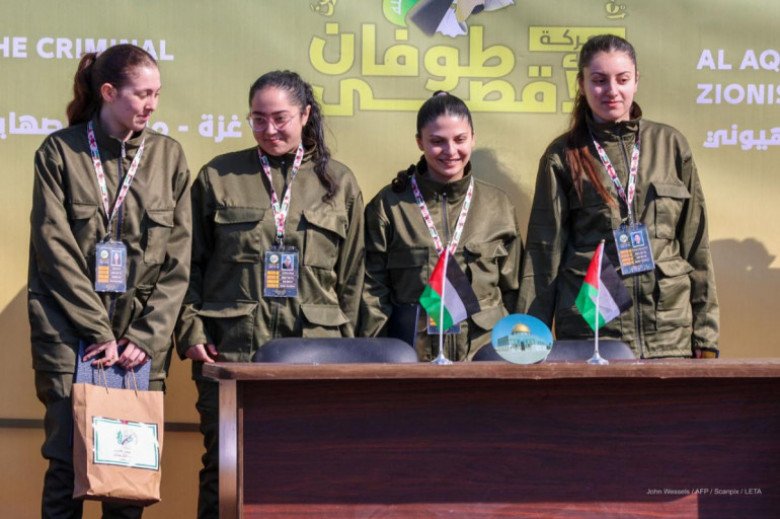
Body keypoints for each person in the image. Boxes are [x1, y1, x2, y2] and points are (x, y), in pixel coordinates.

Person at [175, 70, 365, 518]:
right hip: (231, 353)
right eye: (258, 119)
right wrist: (191, 330)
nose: (269, 129)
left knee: (309, 470)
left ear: (305, 114)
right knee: (224, 470)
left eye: (280, 118)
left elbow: (355, 278)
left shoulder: (338, 182)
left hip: (316, 355)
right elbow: (186, 264)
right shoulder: (219, 176)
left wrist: (355, 354)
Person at [28, 44, 191, 518]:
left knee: (127, 474)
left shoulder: (168, 157)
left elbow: (178, 261)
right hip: (71, 337)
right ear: (108, 92)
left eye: (157, 94)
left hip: (138, 344)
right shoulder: (60, 152)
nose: (152, 105)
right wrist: (98, 330)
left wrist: (146, 337)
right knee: (66, 466)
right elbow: (53, 250)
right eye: (142, 94)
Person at [518, 34, 719, 358]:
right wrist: (529, 342)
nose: (612, 90)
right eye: (599, 80)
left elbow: (696, 244)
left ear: (636, 81)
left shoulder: (670, 144)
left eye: (622, 79)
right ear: (582, 84)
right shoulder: (563, 155)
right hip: (594, 337)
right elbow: (543, 255)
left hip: (669, 335)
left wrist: (705, 335)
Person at [360, 92, 522, 361]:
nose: (450, 151)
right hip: (413, 359)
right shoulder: (389, 207)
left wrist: (511, 357)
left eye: (460, 139)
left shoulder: (498, 205)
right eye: (437, 141)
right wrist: (382, 357)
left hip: (483, 357)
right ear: (420, 142)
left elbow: (514, 290)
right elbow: (372, 294)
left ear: (473, 138)